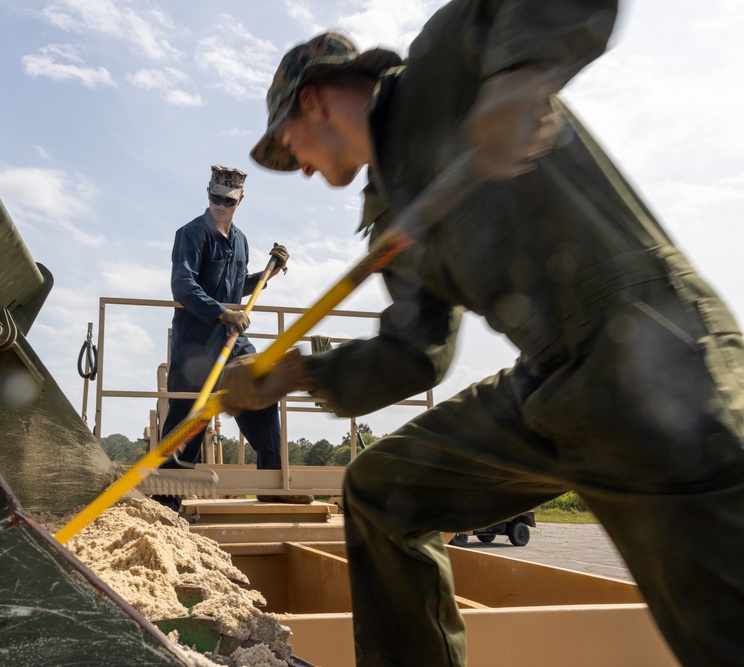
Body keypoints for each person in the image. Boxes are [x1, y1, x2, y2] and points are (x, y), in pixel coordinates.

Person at [221, 3, 744, 666]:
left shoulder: (445, 63)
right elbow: (416, 352)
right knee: (381, 491)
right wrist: (301, 373)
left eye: (286, 144)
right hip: (550, 388)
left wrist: (516, 79)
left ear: (314, 100)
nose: (295, 167)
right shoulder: (392, 214)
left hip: (652, 355)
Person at [153, 164, 312, 512]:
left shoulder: (240, 241)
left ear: (240, 200)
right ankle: (167, 500)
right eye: (215, 197)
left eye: (227, 200)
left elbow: (233, 288)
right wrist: (223, 313)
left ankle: (272, 483)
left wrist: (265, 275)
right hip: (198, 338)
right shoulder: (191, 234)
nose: (220, 205)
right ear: (207, 192)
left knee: (260, 385)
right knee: (191, 414)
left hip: (231, 335)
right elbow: (183, 284)